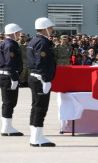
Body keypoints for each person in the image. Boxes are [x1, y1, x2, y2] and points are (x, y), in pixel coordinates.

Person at [27, 17, 56, 147]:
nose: (52, 30)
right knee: (40, 107)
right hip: (40, 78)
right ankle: (36, 138)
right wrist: (45, 79)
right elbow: (41, 62)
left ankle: (35, 135)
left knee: (36, 106)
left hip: (35, 76)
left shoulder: (33, 41)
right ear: (44, 29)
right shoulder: (42, 42)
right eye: (50, 28)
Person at [0, 23, 24, 136]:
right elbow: (10, 62)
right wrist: (14, 77)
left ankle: (7, 126)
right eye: (17, 32)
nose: (19, 34)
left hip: (5, 75)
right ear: (13, 33)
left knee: (8, 102)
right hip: (8, 75)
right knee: (9, 102)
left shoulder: (5, 43)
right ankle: (6, 128)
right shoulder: (10, 44)